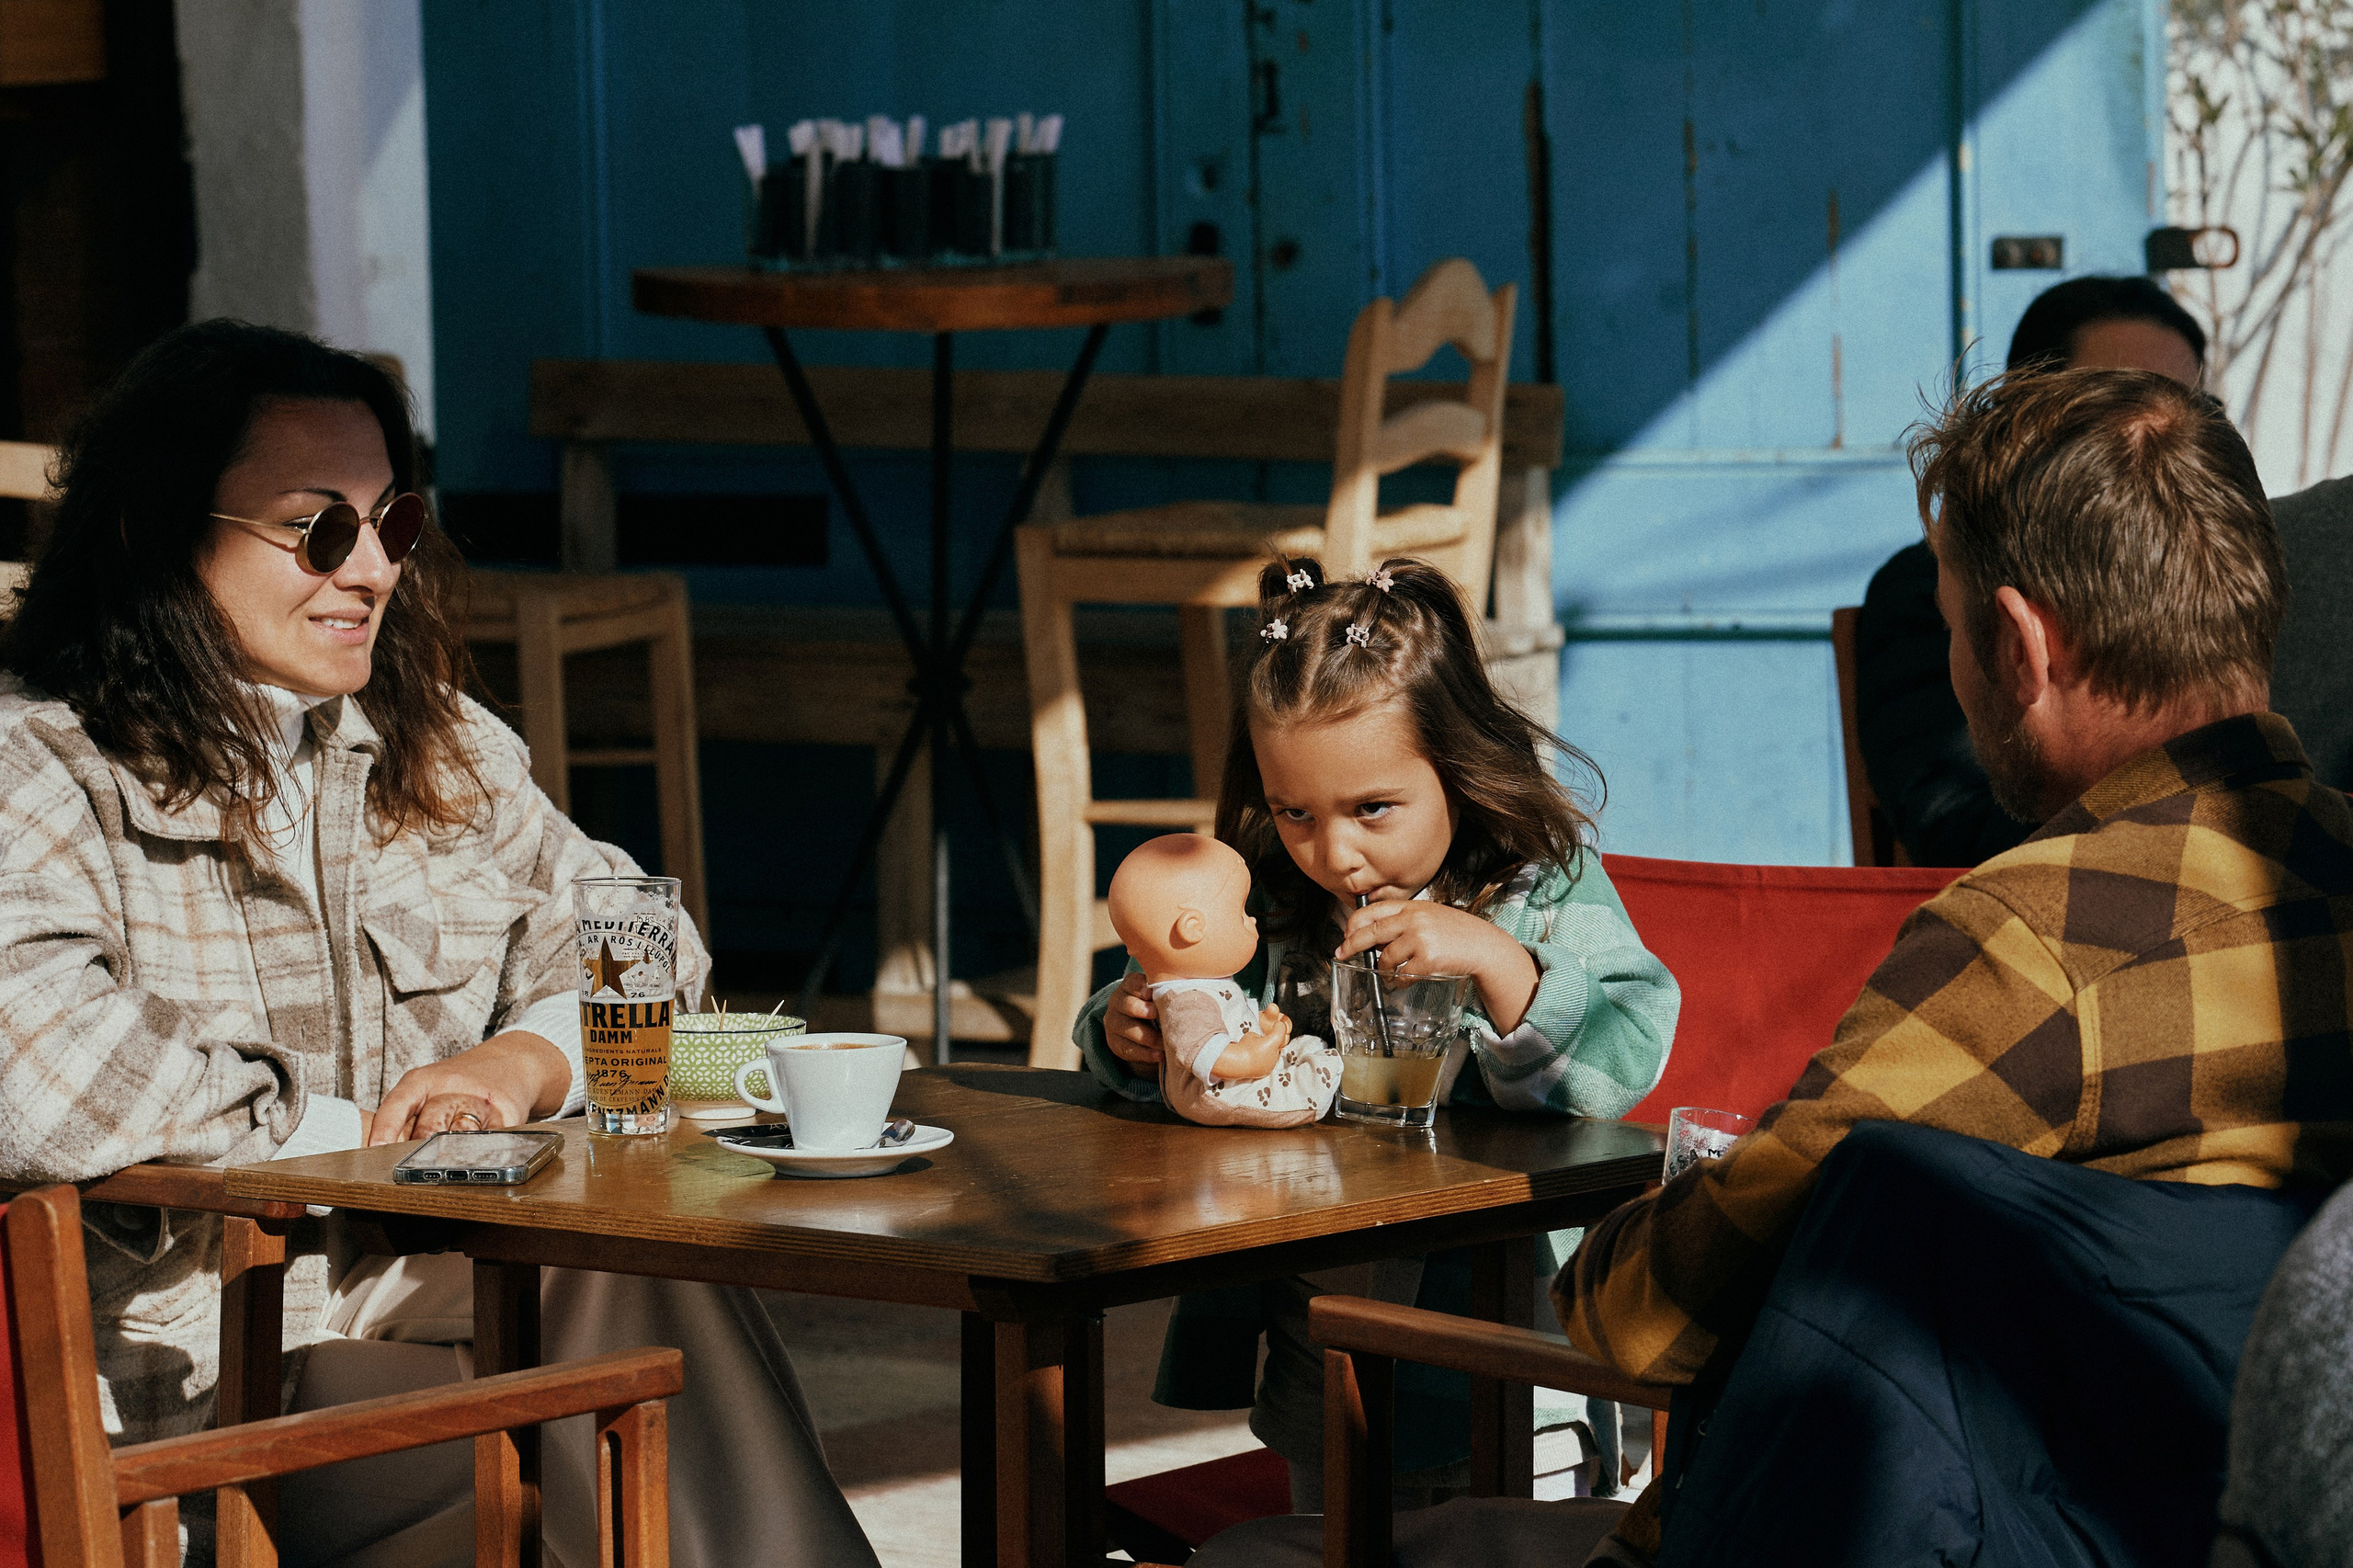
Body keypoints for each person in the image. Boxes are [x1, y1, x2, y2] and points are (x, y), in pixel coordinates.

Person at [0, 321, 877, 1568]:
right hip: (199, 1381)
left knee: (632, 1279)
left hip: (419, 1298)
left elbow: (642, 942)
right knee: (617, 1410)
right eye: (319, 529)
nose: (369, 570)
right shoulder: (43, 773)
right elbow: (33, 1071)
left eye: (393, 526)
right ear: (157, 532)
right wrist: (339, 1135)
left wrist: (517, 1067)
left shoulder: (430, 745)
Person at [1552, 366, 2353, 1563]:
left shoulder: (2039, 933)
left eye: (1947, 630)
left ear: (2022, 645)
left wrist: (1609, 1257)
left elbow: (1647, 1318)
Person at [1075, 557, 1680, 1509]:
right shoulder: (1274, 903)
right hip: (1328, 1362)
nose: (1334, 851)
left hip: (1515, 1377)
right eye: (1294, 812)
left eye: (1372, 809)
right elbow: (1182, 1013)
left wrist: (1496, 960)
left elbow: (1625, 1048)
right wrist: (1130, 1033)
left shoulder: (1537, 890)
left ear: (1459, 766)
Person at [1856, 274, 2206, 865]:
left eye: (2193, 409)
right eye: (2124, 407)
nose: (2165, 437)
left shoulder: (2230, 576)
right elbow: (1951, 824)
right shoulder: (1936, 588)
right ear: (2028, 413)